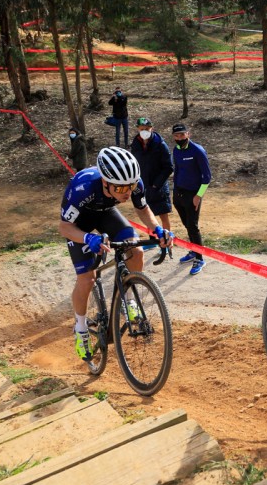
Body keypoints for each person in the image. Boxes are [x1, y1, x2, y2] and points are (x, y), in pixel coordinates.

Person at [59, 146, 173, 368]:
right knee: (87, 278)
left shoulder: (132, 183)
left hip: (106, 215)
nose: (127, 193)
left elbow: (142, 209)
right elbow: (64, 227)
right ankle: (81, 327)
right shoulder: (83, 187)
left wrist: (157, 230)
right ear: (105, 182)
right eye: (121, 188)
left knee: (136, 251)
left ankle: (128, 300)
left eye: (130, 186)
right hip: (78, 225)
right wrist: (88, 239)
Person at [171, 123, 212, 276]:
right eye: (176, 136)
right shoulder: (176, 150)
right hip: (179, 193)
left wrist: (198, 196)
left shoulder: (197, 151)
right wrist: (175, 191)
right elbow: (178, 170)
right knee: (186, 224)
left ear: (188, 134)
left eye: (182, 135)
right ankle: (193, 250)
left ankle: (200, 258)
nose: (179, 138)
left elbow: (207, 177)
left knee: (193, 226)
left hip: (193, 194)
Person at [130, 117, 174, 232]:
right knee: (148, 215)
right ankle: (152, 241)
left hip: (158, 187)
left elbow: (168, 167)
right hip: (144, 186)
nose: (144, 131)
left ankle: (167, 241)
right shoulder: (135, 144)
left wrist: (156, 185)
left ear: (152, 128)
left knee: (163, 216)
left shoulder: (160, 144)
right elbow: (134, 163)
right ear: (138, 129)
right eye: (142, 128)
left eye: (147, 128)